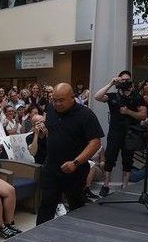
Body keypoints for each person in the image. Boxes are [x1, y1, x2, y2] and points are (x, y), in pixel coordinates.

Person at [36, 84, 103, 224]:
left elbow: (95, 143)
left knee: (76, 205)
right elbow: (52, 130)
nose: (57, 103)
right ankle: (38, 238)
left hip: (75, 169)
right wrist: (43, 134)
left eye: (61, 100)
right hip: (51, 167)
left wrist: (76, 162)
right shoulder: (50, 109)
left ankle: (76, 236)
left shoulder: (85, 114)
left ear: (72, 98)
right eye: (54, 100)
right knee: (46, 205)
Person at [94, 70, 147, 195]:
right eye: (122, 80)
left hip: (131, 133)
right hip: (115, 132)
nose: (125, 82)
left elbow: (143, 115)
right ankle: (106, 185)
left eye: (127, 80)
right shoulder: (113, 96)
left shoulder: (137, 97)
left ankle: (125, 186)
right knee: (110, 158)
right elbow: (97, 96)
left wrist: (128, 112)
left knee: (128, 159)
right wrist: (111, 83)